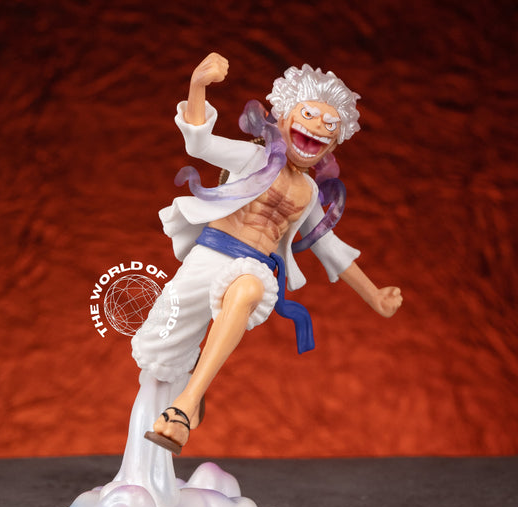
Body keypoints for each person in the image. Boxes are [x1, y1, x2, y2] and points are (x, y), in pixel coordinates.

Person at [133, 53, 402, 454]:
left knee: (247, 289)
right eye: (309, 114)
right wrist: (197, 85)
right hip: (208, 257)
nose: (317, 126)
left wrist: (374, 295)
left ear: (334, 143)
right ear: (284, 116)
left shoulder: (309, 192)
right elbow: (199, 143)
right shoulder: (254, 158)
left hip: (253, 268)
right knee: (158, 355)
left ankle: (185, 407)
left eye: (330, 125)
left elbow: (330, 247)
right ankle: (177, 398)